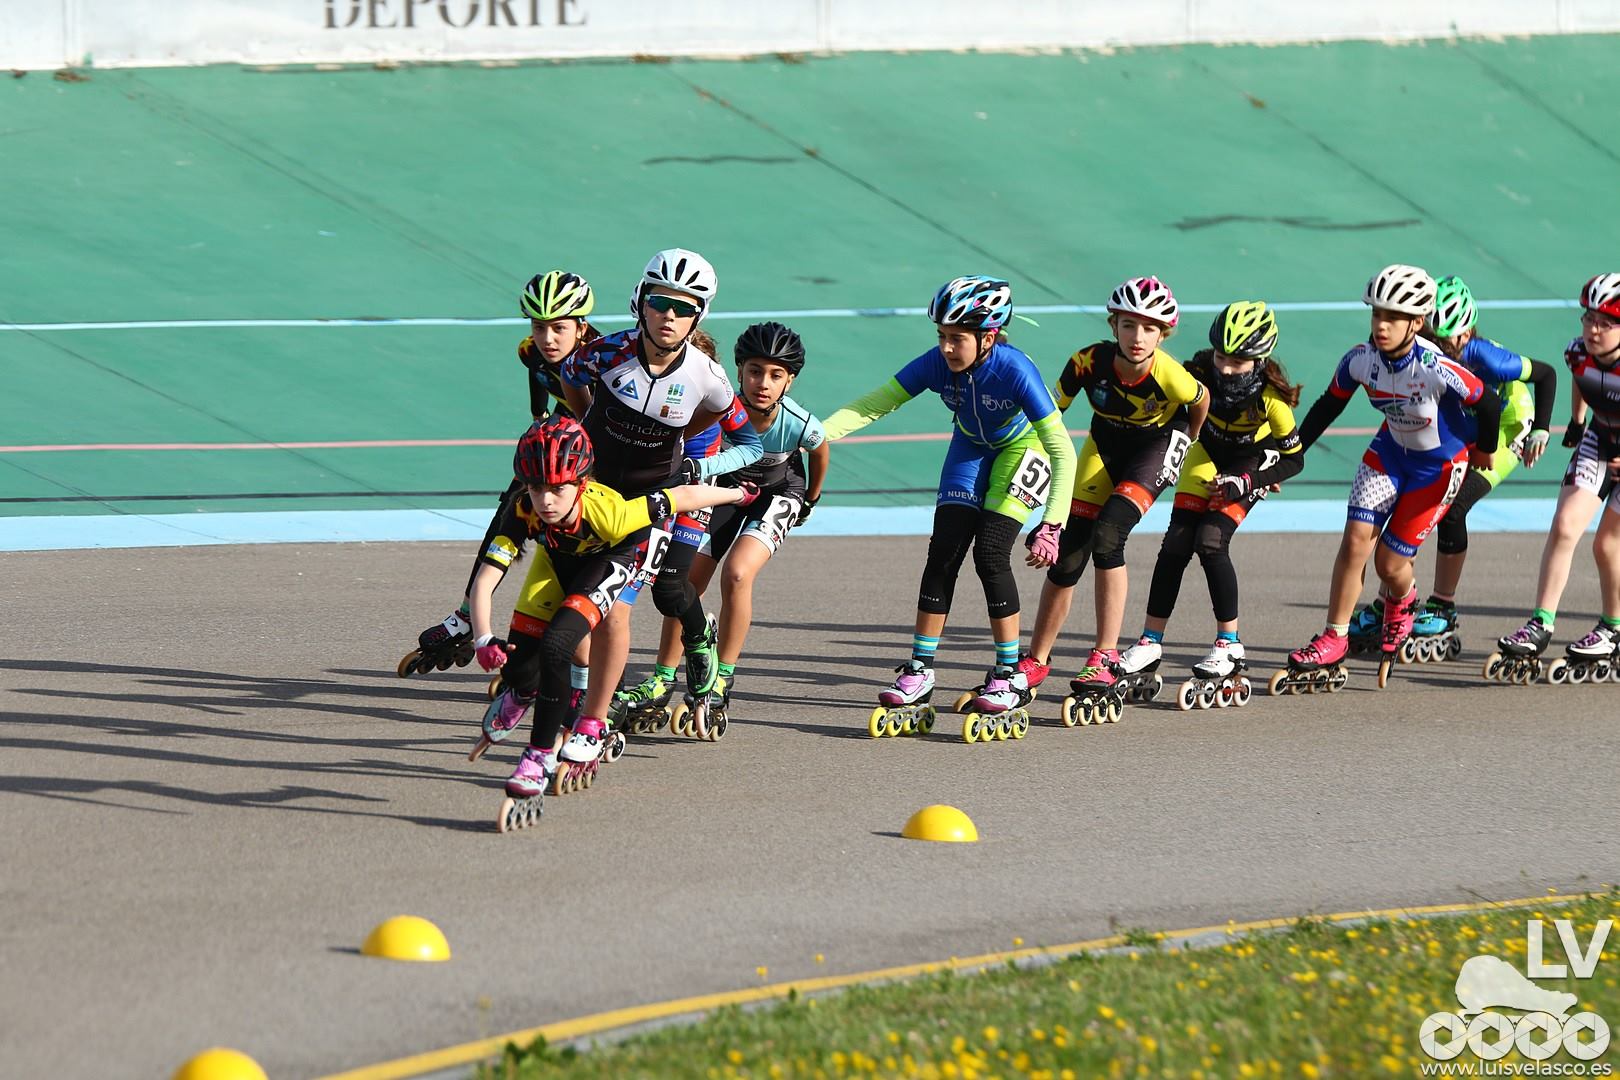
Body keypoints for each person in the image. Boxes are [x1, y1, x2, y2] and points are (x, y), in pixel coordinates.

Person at [821, 275, 1077, 730]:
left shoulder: (1015, 369)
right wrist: (813, 434)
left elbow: (1062, 449)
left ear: (988, 338)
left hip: (1023, 448)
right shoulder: (937, 364)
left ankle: (1008, 675)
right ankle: (919, 671)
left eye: (957, 338)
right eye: (941, 335)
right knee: (943, 552)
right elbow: (874, 404)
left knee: (990, 554)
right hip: (970, 446)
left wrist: (1052, 523)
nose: (946, 347)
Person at [468, 417, 760, 799]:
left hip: (612, 558)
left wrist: (737, 495)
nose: (546, 501)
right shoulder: (524, 509)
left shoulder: (612, 512)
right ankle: (523, 691)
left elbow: (682, 497)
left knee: (557, 645)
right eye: (537, 488)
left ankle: (546, 753)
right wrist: (483, 638)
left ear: (581, 482)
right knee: (520, 667)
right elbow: (486, 578)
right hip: (556, 562)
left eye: (557, 489)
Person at [557, 249, 762, 746]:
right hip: (597, 491)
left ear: (699, 315)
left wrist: (691, 457)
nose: (669, 315)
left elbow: (749, 442)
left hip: (656, 501)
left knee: (628, 603)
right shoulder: (607, 352)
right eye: (660, 302)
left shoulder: (707, 376)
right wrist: (585, 427)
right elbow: (570, 376)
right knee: (581, 596)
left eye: (684, 307)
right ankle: (586, 694)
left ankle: (596, 710)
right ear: (640, 302)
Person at [1275, 264, 1501, 692]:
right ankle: (1334, 638)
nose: (1381, 325)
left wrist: (1485, 449)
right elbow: (1328, 405)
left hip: (1438, 468)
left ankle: (1404, 598)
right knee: (1355, 540)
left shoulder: (1435, 366)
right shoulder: (1360, 360)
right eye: (1377, 314)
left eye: (1394, 317)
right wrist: (1291, 454)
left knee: (1389, 564)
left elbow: (1487, 402)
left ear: (1416, 322)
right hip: (1390, 453)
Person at [1022, 276, 1208, 718]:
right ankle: (1036, 660)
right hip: (1104, 445)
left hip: (1154, 448)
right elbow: (1050, 415)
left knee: (1109, 536)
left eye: (1149, 328)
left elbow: (1201, 402)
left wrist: (1187, 441)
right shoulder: (1087, 362)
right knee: (1069, 554)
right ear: (1113, 326)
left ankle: (1104, 655)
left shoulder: (1170, 375)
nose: (1138, 336)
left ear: (1163, 335)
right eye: (1128, 325)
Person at [1346, 274, 1557, 657]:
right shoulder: (1422, 352)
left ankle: (1443, 606)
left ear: (1465, 336)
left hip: (1504, 430)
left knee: (1453, 508)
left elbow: (1546, 374)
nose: (1436, 347)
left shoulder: (1487, 358)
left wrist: (1541, 429)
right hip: (1461, 424)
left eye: (1445, 343)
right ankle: (1387, 602)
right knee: (1409, 501)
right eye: (1431, 337)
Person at [400, 271, 598, 679]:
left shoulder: (601, 364)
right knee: (509, 513)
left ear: (581, 327)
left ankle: (572, 653)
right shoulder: (530, 351)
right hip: (565, 437)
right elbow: (537, 373)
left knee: (570, 543)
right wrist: (538, 417)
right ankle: (466, 615)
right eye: (539, 326)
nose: (547, 339)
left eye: (559, 328)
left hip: (604, 445)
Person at [640, 321, 830, 737]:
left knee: (738, 573)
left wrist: (811, 499)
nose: (763, 383)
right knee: (685, 581)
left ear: (790, 381)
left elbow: (820, 450)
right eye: (755, 371)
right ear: (739, 370)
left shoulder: (799, 423)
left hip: (778, 493)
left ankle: (723, 675)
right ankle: (663, 676)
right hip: (726, 490)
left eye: (776, 375)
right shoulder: (721, 407)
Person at [1121, 301, 1305, 707]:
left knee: (1210, 541)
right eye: (1222, 357)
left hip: (1248, 465)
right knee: (1176, 543)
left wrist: (1250, 482)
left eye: (1238, 362)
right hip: (1207, 453)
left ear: (1259, 361)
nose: (1226, 369)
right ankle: (1150, 641)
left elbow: (1295, 460)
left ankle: (1229, 645)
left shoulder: (1271, 398)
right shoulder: (1200, 371)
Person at [1490, 273, 1620, 682]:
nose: (1593, 330)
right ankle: (1540, 624)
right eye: (1588, 319)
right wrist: (1577, 422)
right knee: (1564, 526)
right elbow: (1583, 381)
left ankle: (1613, 629)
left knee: (1606, 544)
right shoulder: (1577, 352)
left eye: (1605, 323)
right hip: (1601, 438)